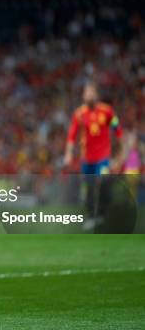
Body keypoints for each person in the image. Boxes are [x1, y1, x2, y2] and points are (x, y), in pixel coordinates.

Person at [64, 81, 123, 229]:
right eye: (86, 92)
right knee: (89, 187)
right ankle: (91, 216)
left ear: (96, 95)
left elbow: (118, 130)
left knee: (103, 181)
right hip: (87, 159)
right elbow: (71, 136)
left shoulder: (107, 111)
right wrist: (68, 154)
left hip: (103, 157)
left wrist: (120, 153)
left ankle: (102, 214)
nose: (88, 95)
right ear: (83, 96)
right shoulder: (79, 114)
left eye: (91, 92)